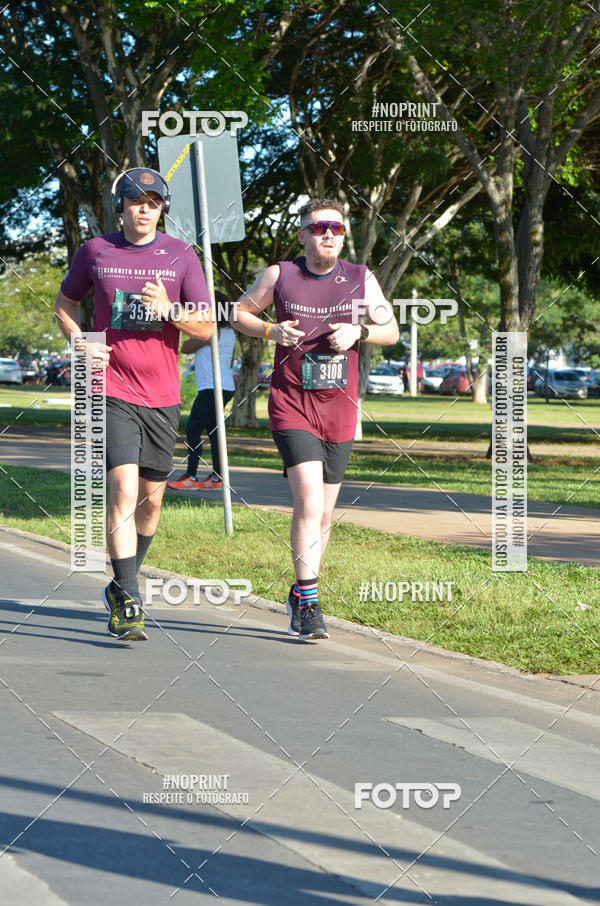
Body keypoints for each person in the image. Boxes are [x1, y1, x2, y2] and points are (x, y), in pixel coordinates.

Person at [54, 167, 212, 642]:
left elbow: (205, 329)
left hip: (162, 395)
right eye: (135, 199)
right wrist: (80, 342)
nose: (144, 207)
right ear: (120, 205)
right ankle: (127, 597)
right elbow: (65, 302)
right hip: (111, 388)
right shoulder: (96, 251)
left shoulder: (182, 256)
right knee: (122, 491)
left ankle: (122, 580)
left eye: (154, 201)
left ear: (163, 208)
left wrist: (170, 311)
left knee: (150, 503)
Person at [233, 198, 399, 641]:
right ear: (303, 233)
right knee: (308, 503)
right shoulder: (280, 274)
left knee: (325, 513)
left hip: (339, 409)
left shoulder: (361, 278)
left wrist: (360, 331)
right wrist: (271, 330)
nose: (329, 233)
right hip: (292, 404)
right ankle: (309, 602)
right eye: (319, 226)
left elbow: (392, 330)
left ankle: (299, 591)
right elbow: (239, 312)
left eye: (337, 228)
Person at [167, 291, 236, 490]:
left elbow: (186, 348)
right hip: (225, 386)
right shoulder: (231, 333)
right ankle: (216, 478)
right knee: (215, 433)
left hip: (211, 387)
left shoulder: (210, 330)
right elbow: (230, 361)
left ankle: (191, 476)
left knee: (193, 429)